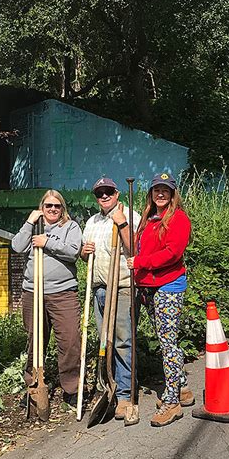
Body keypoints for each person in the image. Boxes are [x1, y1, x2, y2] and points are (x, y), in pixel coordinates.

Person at [127, 172, 194, 427]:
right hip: (150, 286)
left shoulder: (178, 219)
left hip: (169, 285)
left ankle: (172, 401)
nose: (161, 194)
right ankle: (183, 388)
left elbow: (172, 253)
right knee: (165, 338)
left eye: (166, 189)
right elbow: (140, 248)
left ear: (173, 193)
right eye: (157, 189)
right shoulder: (148, 219)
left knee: (168, 343)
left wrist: (141, 263)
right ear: (151, 193)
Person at [12, 190, 82, 407]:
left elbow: (73, 252)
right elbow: (17, 246)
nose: (52, 209)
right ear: (41, 208)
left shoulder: (70, 227)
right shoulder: (33, 226)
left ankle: (71, 389)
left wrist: (47, 242)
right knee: (35, 341)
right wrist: (29, 221)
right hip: (33, 292)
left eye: (57, 206)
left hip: (63, 293)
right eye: (48, 206)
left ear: (62, 208)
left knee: (70, 341)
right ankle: (34, 387)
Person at [81, 177, 140, 419]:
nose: (104, 196)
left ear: (117, 193)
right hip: (100, 289)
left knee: (123, 341)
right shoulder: (92, 221)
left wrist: (123, 224)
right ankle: (109, 387)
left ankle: (126, 394)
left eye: (108, 192)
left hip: (124, 287)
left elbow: (136, 249)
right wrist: (84, 253)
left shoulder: (130, 214)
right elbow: (86, 258)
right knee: (105, 342)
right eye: (99, 193)